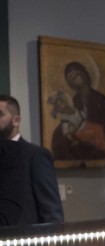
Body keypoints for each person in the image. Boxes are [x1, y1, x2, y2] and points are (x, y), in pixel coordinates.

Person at [0, 94, 64, 224]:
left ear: (16, 120)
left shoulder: (35, 155)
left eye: (0, 114)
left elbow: (51, 211)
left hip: (25, 235)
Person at [50, 61, 105, 160]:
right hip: (80, 137)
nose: (74, 80)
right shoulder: (71, 103)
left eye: (76, 75)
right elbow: (67, 123)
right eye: (70, 79)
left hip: (97, 142)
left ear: (84, 74)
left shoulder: (102, 100)